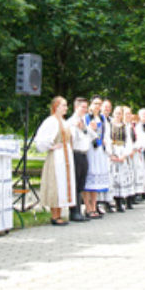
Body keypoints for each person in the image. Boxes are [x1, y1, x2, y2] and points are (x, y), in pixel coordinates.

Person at [35, 97, 76, 225]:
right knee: (56, 184)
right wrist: (51, 146)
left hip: (65, 157)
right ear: (56, 107)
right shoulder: (51, 121)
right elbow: (40, 139)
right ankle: (54, 215)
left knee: (63, 184)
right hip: (57, 157)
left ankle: (59, 213)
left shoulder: (64, 122)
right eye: (63, 105)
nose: (66, 108)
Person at [66, 97, 93, 221]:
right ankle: (74, 212)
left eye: (86, 107)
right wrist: (76, 128)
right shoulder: (71, 122)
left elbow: (93, 136)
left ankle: (79, 210)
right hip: (75, 153)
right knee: (75, 183)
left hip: (84, 153)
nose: (85, 110)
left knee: (81, 183)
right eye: (83, 107)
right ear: (76, 107)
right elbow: (71, 139)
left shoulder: (84, 121)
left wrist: (84, 129)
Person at [84, 96, 111, 218]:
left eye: (99, 104)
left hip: (99, 151)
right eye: (95, 103)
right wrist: (91, 129)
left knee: (95, 179)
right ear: (91, 104)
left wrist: (106, 143)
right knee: (88, 178)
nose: (97, 106)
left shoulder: (102, 118)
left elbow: (107, 134)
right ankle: (87, 207)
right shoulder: (86, 118)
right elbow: (83, 134)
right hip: (89, 150)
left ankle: (94, 206)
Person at [108, 106, 135, 211]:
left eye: (120, 113)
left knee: (122, 178)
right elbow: (108, 139)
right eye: (116, 113)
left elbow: (128, 142)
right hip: (113, 151)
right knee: (113, 177)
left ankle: (121, 201)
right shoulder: (109, 126)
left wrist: (124, 154)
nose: (118, 115)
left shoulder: (125, 127)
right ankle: (113, 201)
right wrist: (111, 154)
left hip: (122, 151)